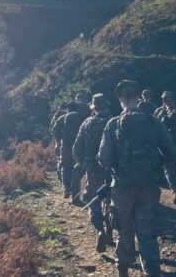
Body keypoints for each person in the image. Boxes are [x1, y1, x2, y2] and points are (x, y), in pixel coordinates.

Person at [98, 80, 176, 277]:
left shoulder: (112, 125)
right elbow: (173, 154)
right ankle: (152, 272)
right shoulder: (154, 122)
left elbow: (103, 158)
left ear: (120, 100)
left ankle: (123, 269)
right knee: (147, 234)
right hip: (148, 188)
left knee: (124, 231)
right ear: (138, 97)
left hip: (122, 188)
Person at [73, 93, 113, 252]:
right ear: (107, 105)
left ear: (93, 107)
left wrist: (81, 163)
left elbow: (77, 148)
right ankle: (110, 231)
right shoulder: (114, 122)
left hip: (93, 168)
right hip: (112, 169)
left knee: (92, 198)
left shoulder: (87, 123)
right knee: (110, 199)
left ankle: (99, 229)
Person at [52, 93, 91, 203]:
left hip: (65, 147)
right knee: (76, 171)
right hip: (78, 148)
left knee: (65, 167)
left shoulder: (63, 117)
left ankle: (66, 189)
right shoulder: (85, 117)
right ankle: (75, 197)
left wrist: (60, 140)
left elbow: (54, 130)